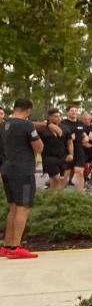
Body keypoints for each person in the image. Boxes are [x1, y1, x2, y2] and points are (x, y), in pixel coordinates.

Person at [1, 98, 43, 258]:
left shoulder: (4, 124)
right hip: (23, 171)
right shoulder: (27, 125)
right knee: (23, 207)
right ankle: (16, 247)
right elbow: (39, 147)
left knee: (13, 207)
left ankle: (7, 245)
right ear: (28, 110)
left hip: (7, 169)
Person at [38, 108, 71, 190]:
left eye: (59, 116)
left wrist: (71, 154)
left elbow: (69, 142)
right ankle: (54, 197)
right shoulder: (42, 128)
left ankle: (54, 198)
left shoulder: (65, 128)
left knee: (62, 181)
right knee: (56, 178)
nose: (59, 118)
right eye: (56, 116)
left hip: (62, 157)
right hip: (49, 157)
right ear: (50, 117)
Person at [63, 105, 88, 191]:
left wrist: (85, 137)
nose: (74, 112)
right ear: (67, 112)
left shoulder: (80, 123)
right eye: (72, 110)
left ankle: (80, 195)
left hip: (79, 150)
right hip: (67, 151)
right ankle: (58, 196)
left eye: (75, 110)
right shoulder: (63, 123)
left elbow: (83, 133)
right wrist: (69, 137)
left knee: (80, 172)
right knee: (64, 175)